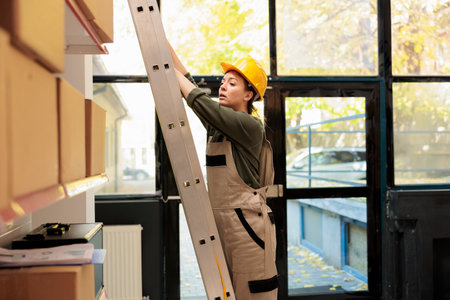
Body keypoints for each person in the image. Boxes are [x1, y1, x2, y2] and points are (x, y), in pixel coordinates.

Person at [170, 43, 278, 300]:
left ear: (248, 95)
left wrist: (163, 70)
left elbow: (198, 99)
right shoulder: (218, 128)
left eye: (231, 83)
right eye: (223, 81)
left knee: (253, 294)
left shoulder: (250, 126)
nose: (222, 86)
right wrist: (163, 46)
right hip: (223, 226)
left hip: (247, 229)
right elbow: (190, 86)